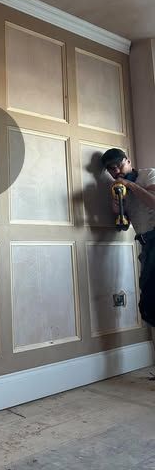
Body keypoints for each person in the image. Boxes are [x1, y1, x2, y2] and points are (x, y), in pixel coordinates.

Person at [101, 148, 155, 349]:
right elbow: (124, 225)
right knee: (149, 302)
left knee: (151, 300)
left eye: (119, 165)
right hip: (146, 244)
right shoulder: (118, 189)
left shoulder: (148, 174)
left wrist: (131, 185)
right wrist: (118, 207)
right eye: (111, 169)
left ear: (129, 161)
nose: (116, 171)